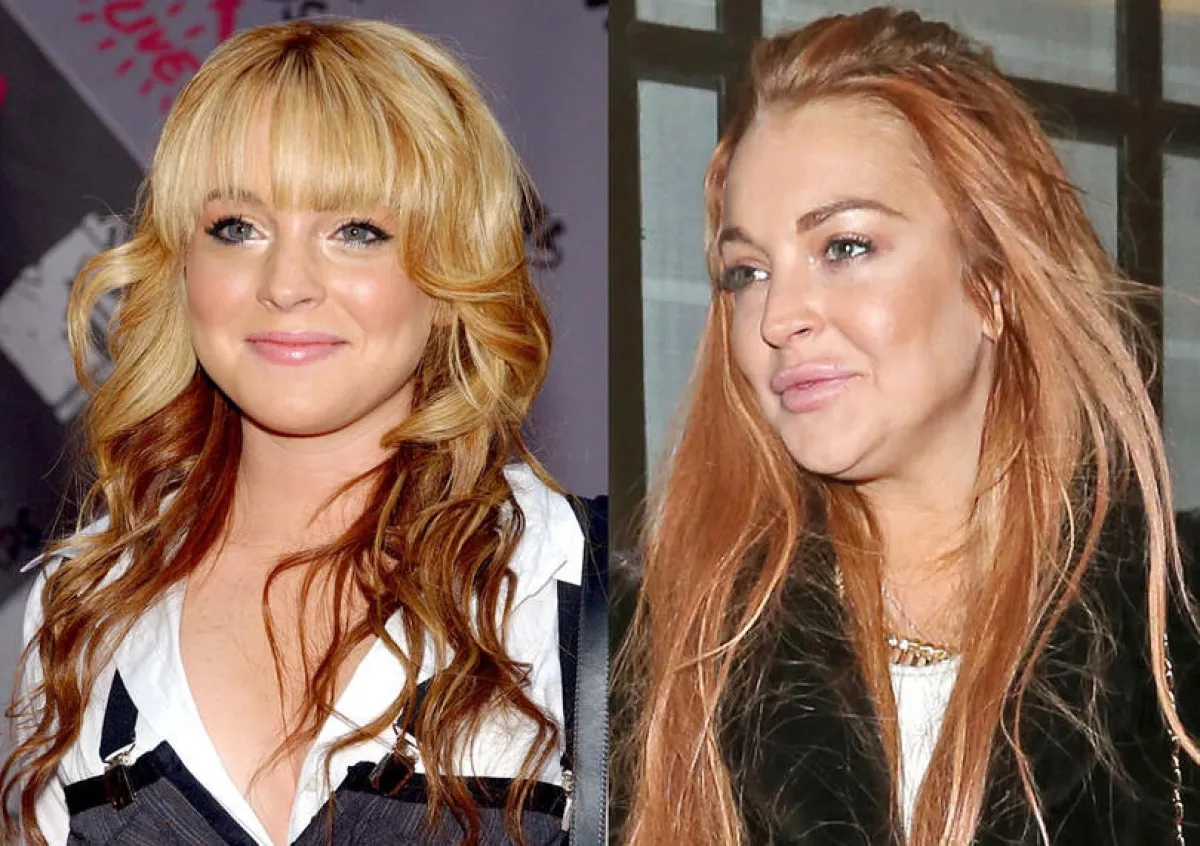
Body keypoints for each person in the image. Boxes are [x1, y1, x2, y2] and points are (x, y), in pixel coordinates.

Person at [0, 18, 605, 846]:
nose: (285, 284)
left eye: (356, 231)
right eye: (237, 228)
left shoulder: (581, 586)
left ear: (451, 277)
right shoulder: (80, 608)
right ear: (181, 266)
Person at [620, 7, 1200, 845]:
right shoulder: (660, 659)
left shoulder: (1173, 627)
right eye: (746, 272)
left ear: (992, 283)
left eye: (845, 247)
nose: (777, 317)